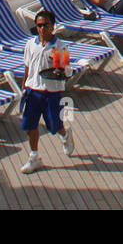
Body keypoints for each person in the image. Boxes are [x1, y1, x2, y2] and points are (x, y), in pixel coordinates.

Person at [18, 9, 75, 173]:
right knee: (30, 124)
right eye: (39, 25)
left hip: (51, 92)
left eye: (45, 25)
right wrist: (24, 87)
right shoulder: (30, 45)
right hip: (33, 91)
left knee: (54, 124)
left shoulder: (60, 47)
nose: (42, 29)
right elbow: (27, 68)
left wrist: (59, 67)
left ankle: (65, 135)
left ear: (52, 26)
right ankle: (34, 157)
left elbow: (68, 71)